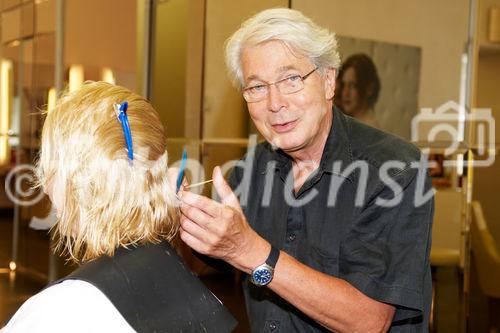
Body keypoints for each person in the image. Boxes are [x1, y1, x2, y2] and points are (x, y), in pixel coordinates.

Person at [178, 8, 433, 332]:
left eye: (290, 79)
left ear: (328, 82)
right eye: (256, 87)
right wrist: (172, 212)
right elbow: (212, 252)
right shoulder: (251, 169)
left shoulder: (394, 170)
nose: (274, 103)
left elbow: (368, 321)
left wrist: (252, 251)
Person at [1, 82, 237, 332]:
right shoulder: (179, 281)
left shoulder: (63, 310)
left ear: (87, 179)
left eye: (51, 167)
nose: (46, 187)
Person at [335, 53, 381, 128]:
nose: (345, 93)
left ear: (369, 89)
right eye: (344, 85)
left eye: (352, 86)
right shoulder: (350, 122)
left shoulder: (369, 128)